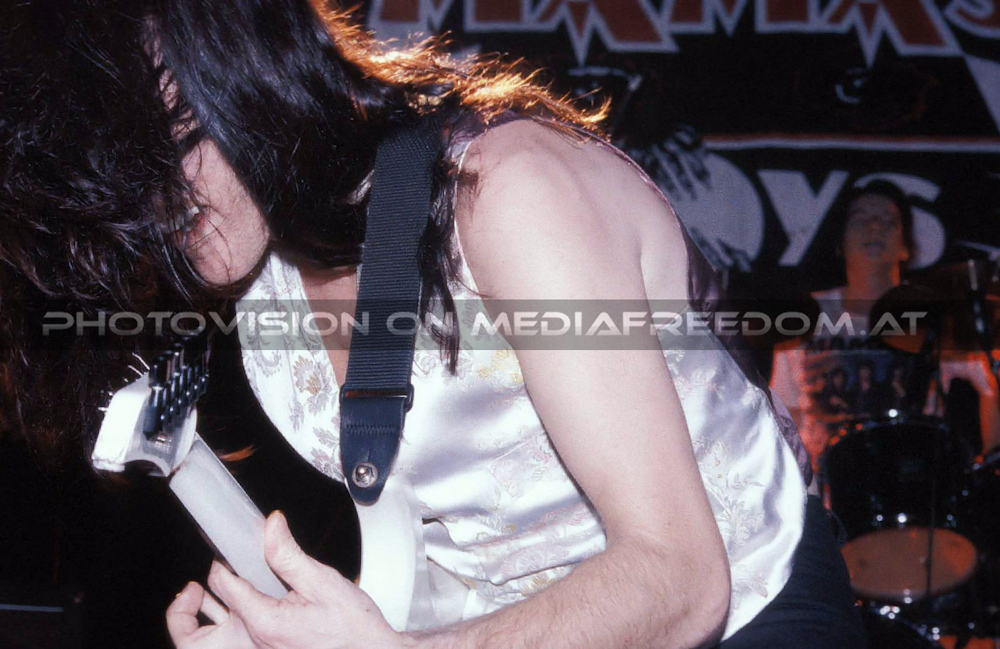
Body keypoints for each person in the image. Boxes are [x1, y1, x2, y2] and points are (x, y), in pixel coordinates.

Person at [0, 1, 863, 647]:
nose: (159, 208)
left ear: (240, 65)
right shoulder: (255, 259)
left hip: (748, 605)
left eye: (164, 150)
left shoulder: (507, 196)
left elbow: (683, 578)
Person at [771, 180, 1000, 474]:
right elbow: (786, 410)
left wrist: (990, 468)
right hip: (825, 485)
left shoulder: (933, 316)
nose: (875, 226)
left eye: (888, 220)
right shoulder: (806, 315)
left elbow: (990, 387)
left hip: (913, 480)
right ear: (840, 243)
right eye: (861, 218)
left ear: (905, 247)